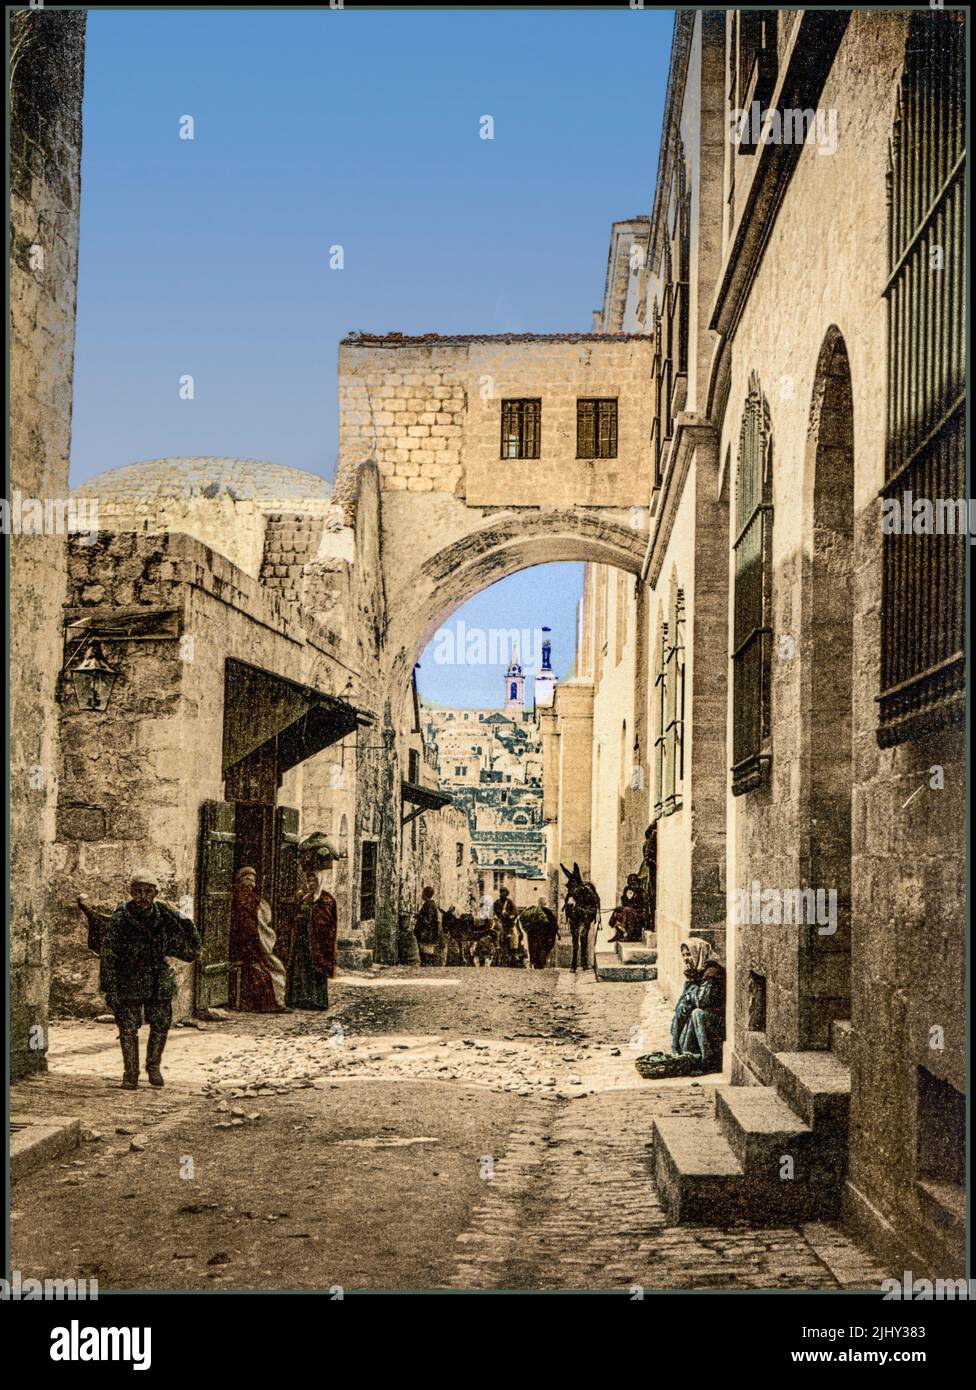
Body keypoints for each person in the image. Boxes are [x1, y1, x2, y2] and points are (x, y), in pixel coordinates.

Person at [99, 869, 201, 1089]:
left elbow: (187, 926)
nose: (143, 896)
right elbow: (109, 953)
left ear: (155, 893)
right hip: (130, 977)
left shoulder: (163, 913)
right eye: (138, 891)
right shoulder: (122, 917)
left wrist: (184, 925)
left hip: (158, 978)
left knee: (161, 1023)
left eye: (148, 891)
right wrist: (109, 987)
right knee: (127, 1027)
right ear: (131, 892)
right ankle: (131, 1073)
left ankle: (153, 1067)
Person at [280, 840, 339, 1010]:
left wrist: (310, 920)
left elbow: (327, 921)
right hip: (301, 939)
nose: (310, 883)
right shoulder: (304, 898)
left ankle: (316, 1001)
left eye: (313, 881)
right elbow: (294, 912)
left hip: (317, 941)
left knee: (314, 970)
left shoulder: (326, 899)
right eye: (308, 880)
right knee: (299, 968)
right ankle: (298, 999)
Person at [229, 867, 287, 1012]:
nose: (251, 883)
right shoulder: (236, 897)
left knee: (274, 967)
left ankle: (277, 1002)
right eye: (247, 879)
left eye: (253, 880)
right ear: (240, 880)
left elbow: (263, 921)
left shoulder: (255, 899)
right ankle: (268, 1005)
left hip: (252, 943)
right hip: (242, 944)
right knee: (262, 972)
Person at [671, 937, 725, 1073]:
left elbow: (702, 1001)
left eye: (689, 954)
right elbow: (686, 998)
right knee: (683, 1007)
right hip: (707, 1017)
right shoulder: (699, 971)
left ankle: (709, 1061)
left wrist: (692, 982)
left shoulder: (711, 972)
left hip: (718, 1020)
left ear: (698, 953)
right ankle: (685, 1054)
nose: (685, 958)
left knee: (697, 1013)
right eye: (683, 955)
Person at [414, 886, 441, 967]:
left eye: (423, 893)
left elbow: (428, 920)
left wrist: (419, 917)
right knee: (427, 953)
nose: (421, 894)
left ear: (425, 894)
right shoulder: (431, 904)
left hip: (426, 934)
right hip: (429, 934)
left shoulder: (429, 905)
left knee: (425, 953)